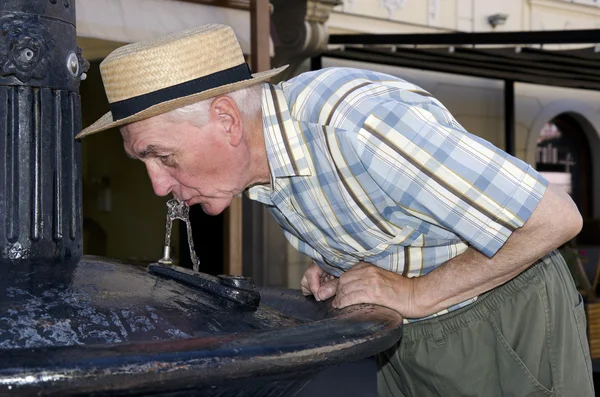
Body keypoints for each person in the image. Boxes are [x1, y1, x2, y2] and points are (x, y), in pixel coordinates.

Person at [77, 24, 593, 396]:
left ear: (227, 120)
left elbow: (553, 218)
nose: (158, 184)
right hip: (406, 328)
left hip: (501, 315)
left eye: (164, 157)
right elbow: (396, 215)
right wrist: (343, 266)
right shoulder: (265, 166)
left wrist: (415, 292)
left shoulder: (356, 122)